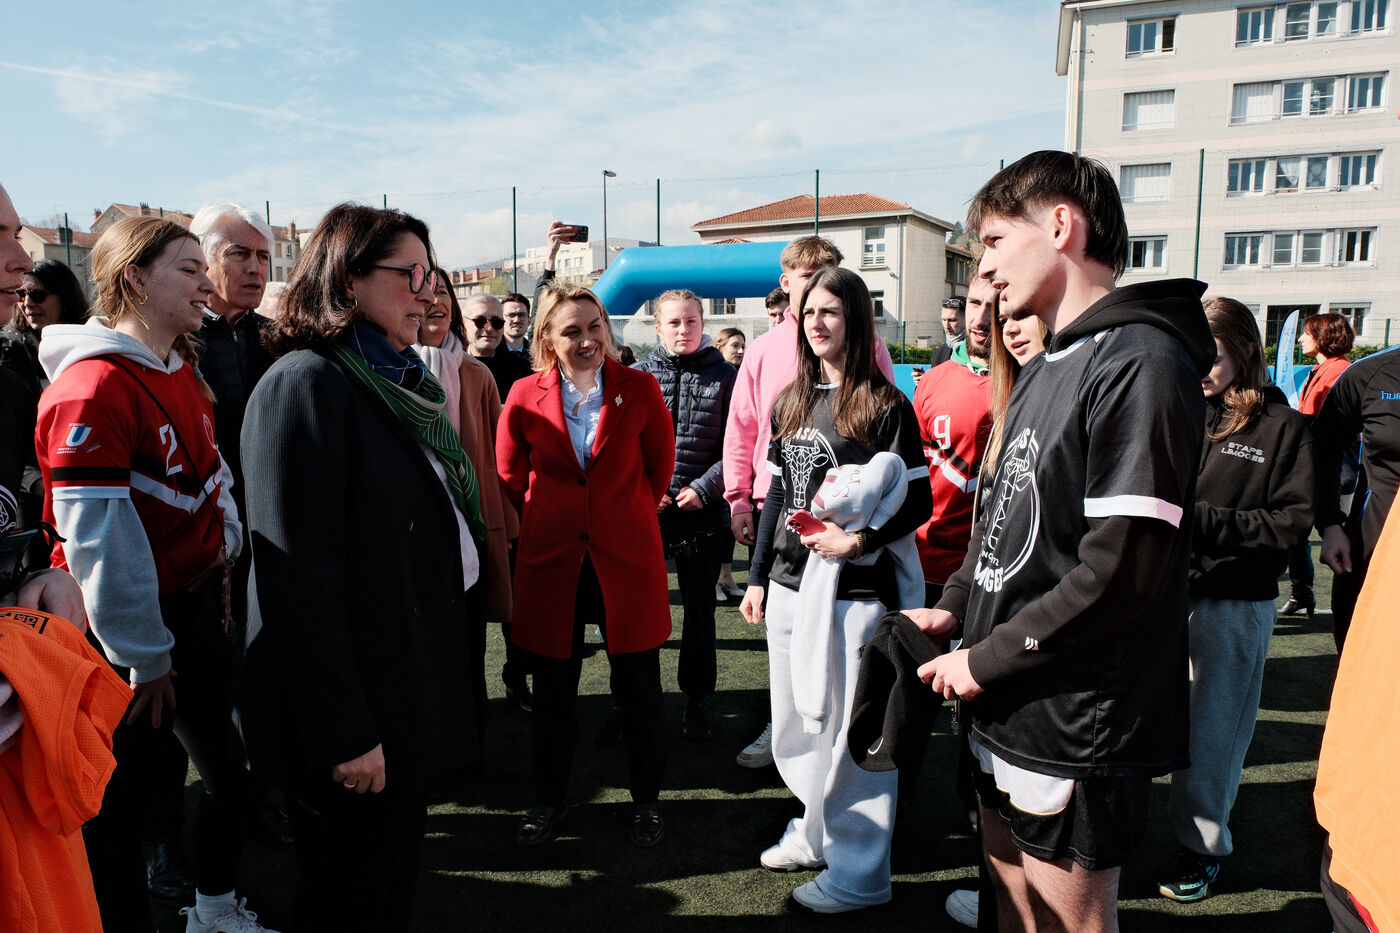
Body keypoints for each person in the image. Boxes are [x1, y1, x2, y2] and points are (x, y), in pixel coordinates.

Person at [916, 151, 1213, 933]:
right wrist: (955, 607)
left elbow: (1122, 570)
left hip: (1077, 717)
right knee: (1010, 911)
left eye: (992, 240)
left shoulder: (1142, 359)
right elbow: (1002, 526)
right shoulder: (1046, 362)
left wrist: (984, 658)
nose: (983, 268)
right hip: (1005, 701)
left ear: (1059, 225)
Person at [238, 203, 484, 931]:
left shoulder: (394, 379)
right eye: (411, 274)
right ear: (348, 281)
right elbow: (296, 586)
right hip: (351, 718)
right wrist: (345, 732)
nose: (429, 292)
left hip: (399, 690)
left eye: (432, 275)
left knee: (386, 889)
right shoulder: (307, 384)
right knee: (348, 899)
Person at [35, 216, 273, 933]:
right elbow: (100, 543)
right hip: (126, 636)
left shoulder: (177, 366)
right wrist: (145, 655)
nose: (207, 283)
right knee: (122, 809)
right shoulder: (92, 386)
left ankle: (214, 909)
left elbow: (211, 470)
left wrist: (224, 545)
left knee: (228, 776)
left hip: (190, 614)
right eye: (188, 269)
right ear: (134, 278)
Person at [739, 266, 929, 914]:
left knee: (853, 731)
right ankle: (816, 831)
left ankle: (861, 871)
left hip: (855, 595)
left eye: (830, 311)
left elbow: (919, 501)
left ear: (855, 318)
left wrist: (862, 541)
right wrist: (757, 577)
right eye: (809, 312)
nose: (816, 323)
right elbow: (775, 499)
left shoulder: (886, 404)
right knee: (798, 724)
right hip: (790, 590)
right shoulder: (790, 400)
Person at [496, 282, 675, 849]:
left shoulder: (640, 388)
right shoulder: (522, 394)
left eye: (595, 326)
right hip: (553, 561)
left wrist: (619, 515)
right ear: (548, 337)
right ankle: (550, 801)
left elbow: (659, 469)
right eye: (572, 330)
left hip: (627, 559)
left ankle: (646, 802)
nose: (587, 339)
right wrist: (555, 515)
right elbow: (509, 474)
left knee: (640, 691)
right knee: (553, 694)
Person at [1158, 297, 1314, 902]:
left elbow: (1292, 524)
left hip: (1231, 604)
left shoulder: (1283, 427)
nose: (1198, 363)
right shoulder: (1178, 407)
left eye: (1212, 352)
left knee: (1212, 739)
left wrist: (1202, 521)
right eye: (1191, 350)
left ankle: (1201, 849)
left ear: (1247, 349)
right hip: (1158, 596)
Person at [723, 236, 896, 770]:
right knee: (784, 634)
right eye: (807, 276)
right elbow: (743, 428)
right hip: (777, 510)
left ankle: (839, 752)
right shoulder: (762, 350)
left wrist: (862, 535)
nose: (818, 285)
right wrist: (738, 496)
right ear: (787, 283)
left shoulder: (871, 351)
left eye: (828, 273)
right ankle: (784, 727)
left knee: (837, 644)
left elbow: (883, 446)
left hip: (844, 530)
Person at [416, 269, 527, 717]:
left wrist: (508, 526)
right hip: (412, 531)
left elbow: (499, 459)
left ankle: (475, 729)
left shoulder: (477, 374)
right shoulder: (382, 369)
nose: (435, 300)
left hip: (472, 527)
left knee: (470, 644)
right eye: (425, 291)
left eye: (443, 291)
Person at [633, 290, 736, 740]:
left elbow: (738, 446)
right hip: (647, 513)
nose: (683, 330)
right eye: (674, 322)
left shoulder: (727, 376)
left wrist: (706, 487)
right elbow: (623, 445)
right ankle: (631, 699)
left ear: (702, 324)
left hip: (702, 514)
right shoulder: (637, 376)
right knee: (638, 610)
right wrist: (647, 487)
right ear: (658, 327)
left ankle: (697, 700)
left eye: (691, 321)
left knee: (699, 613)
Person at [1313, 344, 1400, 653]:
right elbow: (1323, 448)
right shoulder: (1371, 373)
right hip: (1372, 551)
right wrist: (1329, 524)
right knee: (1363, 659)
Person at [1281, 312, 1355, 618]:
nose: (1300, 339)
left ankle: (1349, 602)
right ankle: (1302, 593)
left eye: (1307, 333)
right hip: (1313, 463)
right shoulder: (1320, 369)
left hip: (1333, 466)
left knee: (1334, 533)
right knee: (1297, 529)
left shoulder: (1341, 371)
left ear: (1324, 336)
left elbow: (1330, 428)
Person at [714, 326, 747, 599]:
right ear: (720, 347)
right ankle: (714, 579)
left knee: (729, 524)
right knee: (717, 525)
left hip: (736, 458)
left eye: (742, 345)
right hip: (716, 460)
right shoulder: (716, 375)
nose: (740, 350)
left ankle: (726, 575)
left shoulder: (741, 374)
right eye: (735, 345)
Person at [465, 293, 532, 403]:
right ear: (463, 324)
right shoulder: (448, 365)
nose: (489, 328)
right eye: (480, 321)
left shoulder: (523, 371)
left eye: (497, 322)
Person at [929, 296, 967, 367]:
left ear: (967, 319)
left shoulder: (980, 350)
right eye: (944, 320)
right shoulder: (938, 354)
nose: (946, 326)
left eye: (952, 320)